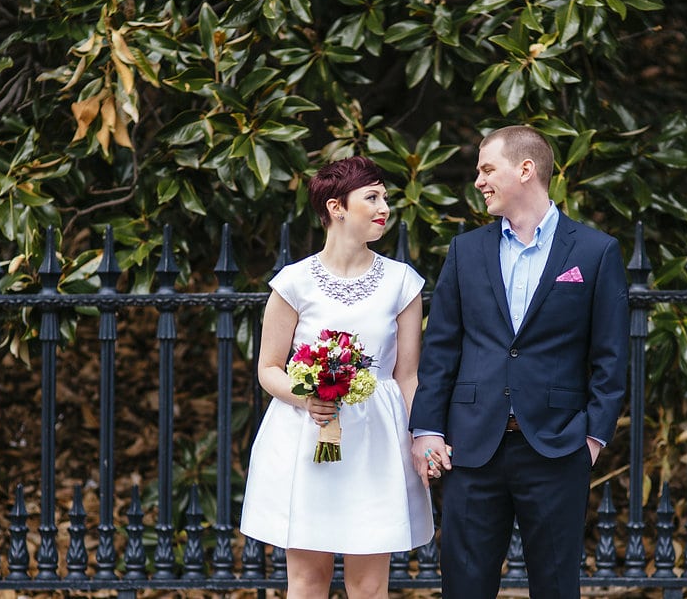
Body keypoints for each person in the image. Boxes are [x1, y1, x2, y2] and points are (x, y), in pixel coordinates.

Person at [409, 125, 629, 598]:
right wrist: (426, 428)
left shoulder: (595, 251)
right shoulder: (466, 250)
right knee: (464, 586)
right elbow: (442, 348)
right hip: (472, 447)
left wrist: (592, 438)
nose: (479, 181)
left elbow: (610, 356)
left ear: (526, 169)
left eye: (488, 169)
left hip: (557, 446)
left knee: (556, 586)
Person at [240, 156, 434, 598]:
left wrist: (420, 437)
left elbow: (407, 377)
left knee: (369, 584)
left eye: (385, 197)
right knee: (308, 580)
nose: (385, 207)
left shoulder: (402, 283)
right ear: (336, 207)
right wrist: (307, 397)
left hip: (377, 444)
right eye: (372, 197)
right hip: (308, 440)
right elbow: (268, 369)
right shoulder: (294, 282)